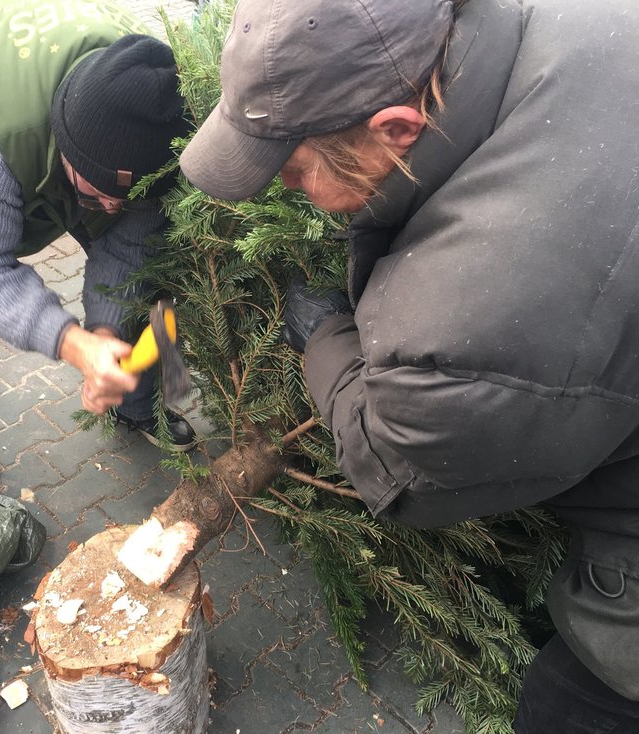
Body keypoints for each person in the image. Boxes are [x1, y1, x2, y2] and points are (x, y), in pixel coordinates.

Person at [179, 0, 639, 730]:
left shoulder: (466, 322)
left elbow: (394, 464)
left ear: (395, 129)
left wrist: (327, 336)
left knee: (564, 707)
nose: (290, 194)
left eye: (296, 175)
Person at [0, 0, 197, 509]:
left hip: (66, 131)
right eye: (104, 192)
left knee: (149, 265)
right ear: (66, 148)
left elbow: (131, 244)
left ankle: (137, 403)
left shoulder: (149, 107)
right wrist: (73, 344)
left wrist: (105, 339)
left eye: (127, 194)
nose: (114, 206)